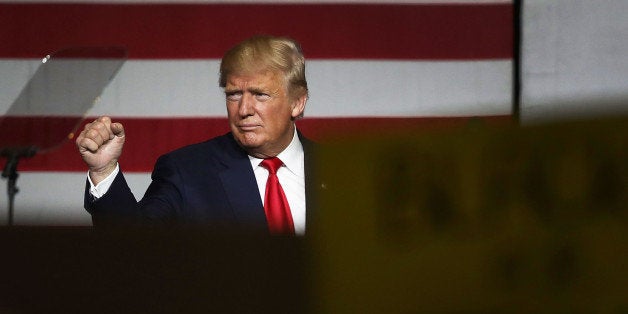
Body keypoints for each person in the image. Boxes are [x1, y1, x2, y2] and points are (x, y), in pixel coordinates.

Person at [76, 35, 320, 235]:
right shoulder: (187, 171)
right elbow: (133, 247)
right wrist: (104, 171)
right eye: (234, 94)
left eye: (260, 95)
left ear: (297, 103)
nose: (244, 110)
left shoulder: (344, 172)